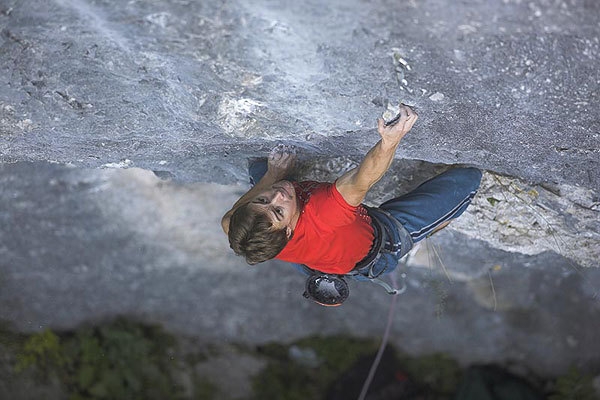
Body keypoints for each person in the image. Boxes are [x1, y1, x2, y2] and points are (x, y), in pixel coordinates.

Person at [222, 104, 482, 305]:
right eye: (278, 210)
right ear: (287, 232)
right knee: (468, 179)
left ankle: (322, 260)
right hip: (381, 244)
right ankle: (429, 228)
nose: (277, 195)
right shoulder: (326, 212)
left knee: (260, 167)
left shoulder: (248, 231)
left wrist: (272, 175)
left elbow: (232, 218)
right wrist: (390, 140)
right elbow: (362, 179)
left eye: (263, 200)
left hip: (316, 257)